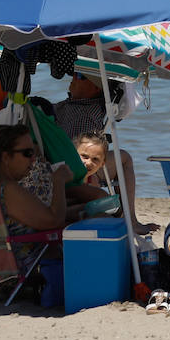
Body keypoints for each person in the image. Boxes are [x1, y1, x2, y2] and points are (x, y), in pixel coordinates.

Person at [52, 72, 155, 234]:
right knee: (124, 158)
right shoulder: (83, 106)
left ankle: (130, 220)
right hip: (75, 165)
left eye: (80, 76)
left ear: (95, 87)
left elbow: (82, 147)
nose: (73, 78)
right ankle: (130, 219)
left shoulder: (85, 113)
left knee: (121, 157)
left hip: (72, 162)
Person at [0, 123, 70, 238]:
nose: (34, 159)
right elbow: (54, 221)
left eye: (34, 152)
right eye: (28, 153)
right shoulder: (8, 190)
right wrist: (59, 180)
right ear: (6, 157)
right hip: (35, 254)